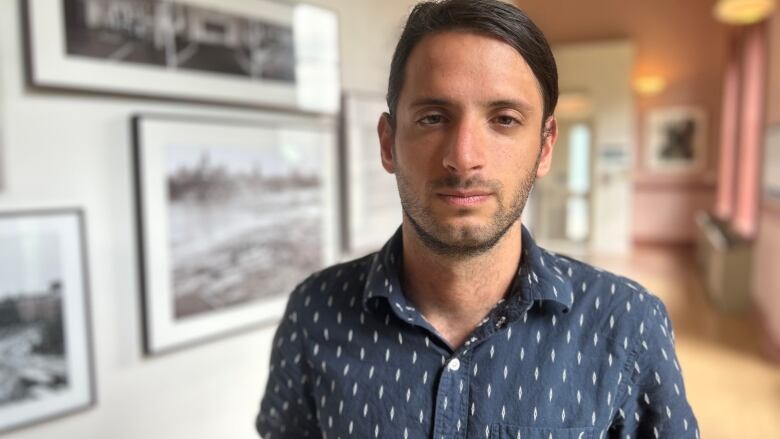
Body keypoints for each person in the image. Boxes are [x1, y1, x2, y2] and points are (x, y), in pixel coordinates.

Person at [256, 0, 699, 437]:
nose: (464, 158)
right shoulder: (314, 314)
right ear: (388, 143)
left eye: (504, 119)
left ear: (545, 147)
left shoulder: (626, 322)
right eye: (433, 118)